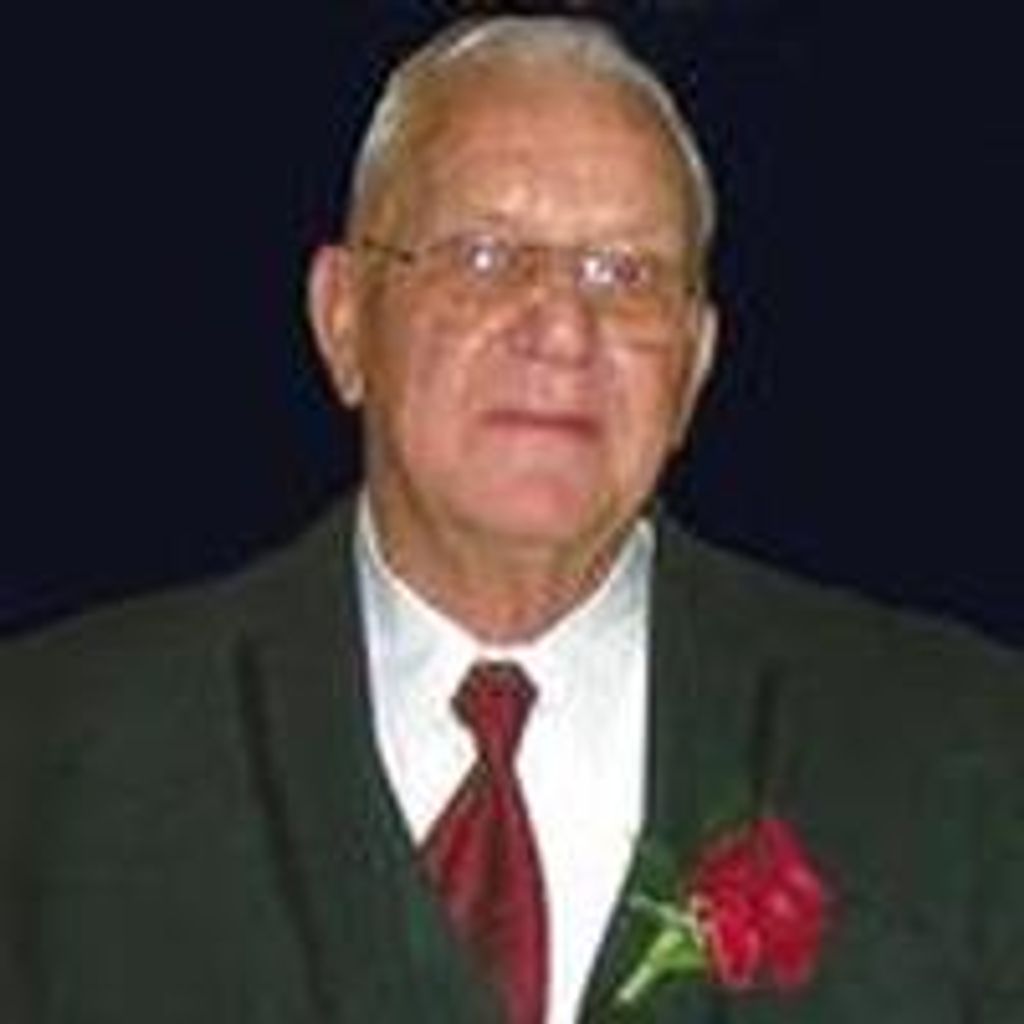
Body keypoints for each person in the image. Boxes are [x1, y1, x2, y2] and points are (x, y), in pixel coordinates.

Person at [2, 14, 1021, 1024]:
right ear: (343, 317)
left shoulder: (960, 752)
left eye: (625, 274)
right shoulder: (51, 756)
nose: (562, 326)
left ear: (696, 361)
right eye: (485, 256)